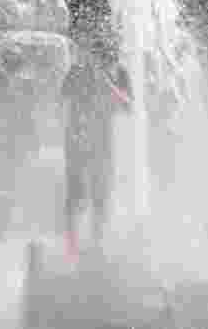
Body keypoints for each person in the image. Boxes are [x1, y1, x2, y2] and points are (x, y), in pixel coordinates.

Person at [61, 40, 133, 262]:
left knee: (101, 195)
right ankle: (71, 248)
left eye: (106, 62)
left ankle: (96, 245)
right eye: (96, 60)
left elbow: (128, 105)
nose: (100, 66)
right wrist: (71, 132)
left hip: (103, 143)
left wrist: (109, 86)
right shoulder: (76, 72)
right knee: (75, 197)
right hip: (77, 141)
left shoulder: (119, 73)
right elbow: (62, 102)